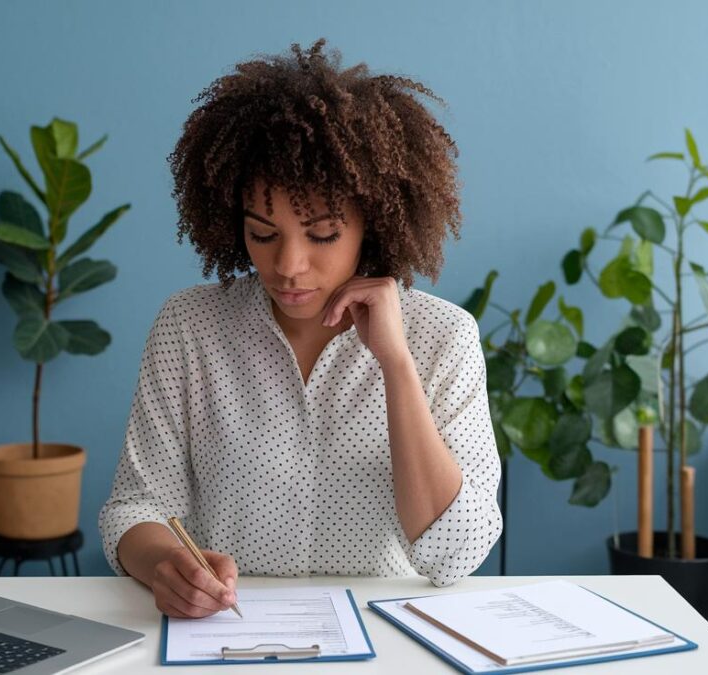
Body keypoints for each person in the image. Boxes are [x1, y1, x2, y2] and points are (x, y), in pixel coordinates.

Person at [99, 38, 502, 619]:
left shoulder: (443, 337)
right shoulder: (189, 327)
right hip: (228, 639)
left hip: (388, 645)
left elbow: (456, 553)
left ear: (376, 221)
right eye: (263, 234)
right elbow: (134, 505)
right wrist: (167, 566)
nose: (287, 265)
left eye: (322, 235)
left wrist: (395, 363)